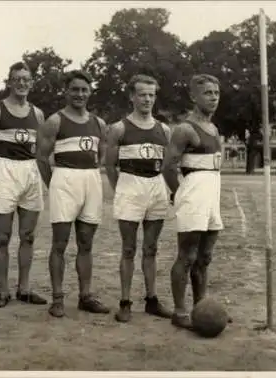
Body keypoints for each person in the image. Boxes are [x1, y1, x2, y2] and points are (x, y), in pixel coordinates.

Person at [36, 70, 111, 318]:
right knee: (60, 243)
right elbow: (41, 158)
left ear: (90, 92)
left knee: (86, 243)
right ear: (66, 92)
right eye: (75, 89)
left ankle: (85, 296)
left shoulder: (99, 123)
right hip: (64, 179)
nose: (79, 94)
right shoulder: (55, 121)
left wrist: (91, 175)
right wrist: (54, 184)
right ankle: (57, 298)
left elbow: (101, 155)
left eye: (84, 90)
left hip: (90, 179)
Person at [0, 62, 48, 308]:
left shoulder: (37, 114)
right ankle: (4, 290)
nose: (21, 83)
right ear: (9, 81)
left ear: (31, 82)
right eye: (17, 78)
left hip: (30, 172)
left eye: (26, 79)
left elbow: (40, 149)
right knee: (3, 236)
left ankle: (24, 289)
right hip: (4, 171)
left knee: (28, 235)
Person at [105, 74, 173, 323]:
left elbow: (167, 164)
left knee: (151, 248)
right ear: (132, 96)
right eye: (142, 94)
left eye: (151, 95)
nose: (147, 99)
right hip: (130, 184)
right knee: (129, 248)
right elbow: (110, 167)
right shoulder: (119, 128)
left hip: (155, 186)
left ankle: (152, 300)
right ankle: (125, 301)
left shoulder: (164, 129)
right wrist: (122, 189)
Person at [161, 74, 225, 329]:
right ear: (194, 97)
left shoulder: (214, 128)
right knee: (187, 256)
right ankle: (179, 311)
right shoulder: (185, 129)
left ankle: (202, 308)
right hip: (193, 195)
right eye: (208, 93)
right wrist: (179, 193)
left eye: (216, 93)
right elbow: (168, 167)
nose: (213, 98)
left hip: (212, 195)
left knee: (205, 257)